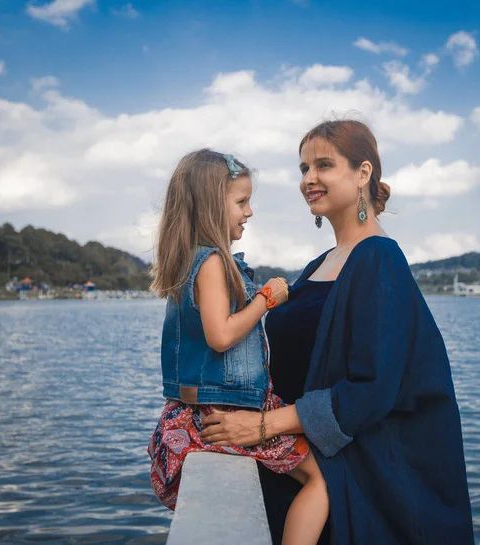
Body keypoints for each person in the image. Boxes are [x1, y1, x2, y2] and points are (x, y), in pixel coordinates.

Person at [200, 121, 475, 545]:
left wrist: (262, 427)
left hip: (359, 475)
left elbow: (371, 389)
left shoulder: (378, 258)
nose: (309, 179)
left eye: (323, 165)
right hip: (298, 456)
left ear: (363, 173)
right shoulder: (321, 264)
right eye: (303, 167)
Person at [147, 149, 329, 545]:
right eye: (241, 202)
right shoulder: (211, 262)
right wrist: (265, 299)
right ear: (214, 206)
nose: (249, 212)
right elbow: (222, 335)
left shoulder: (188, 260)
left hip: (198, 407)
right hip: (224, 409)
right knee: (319, 479)